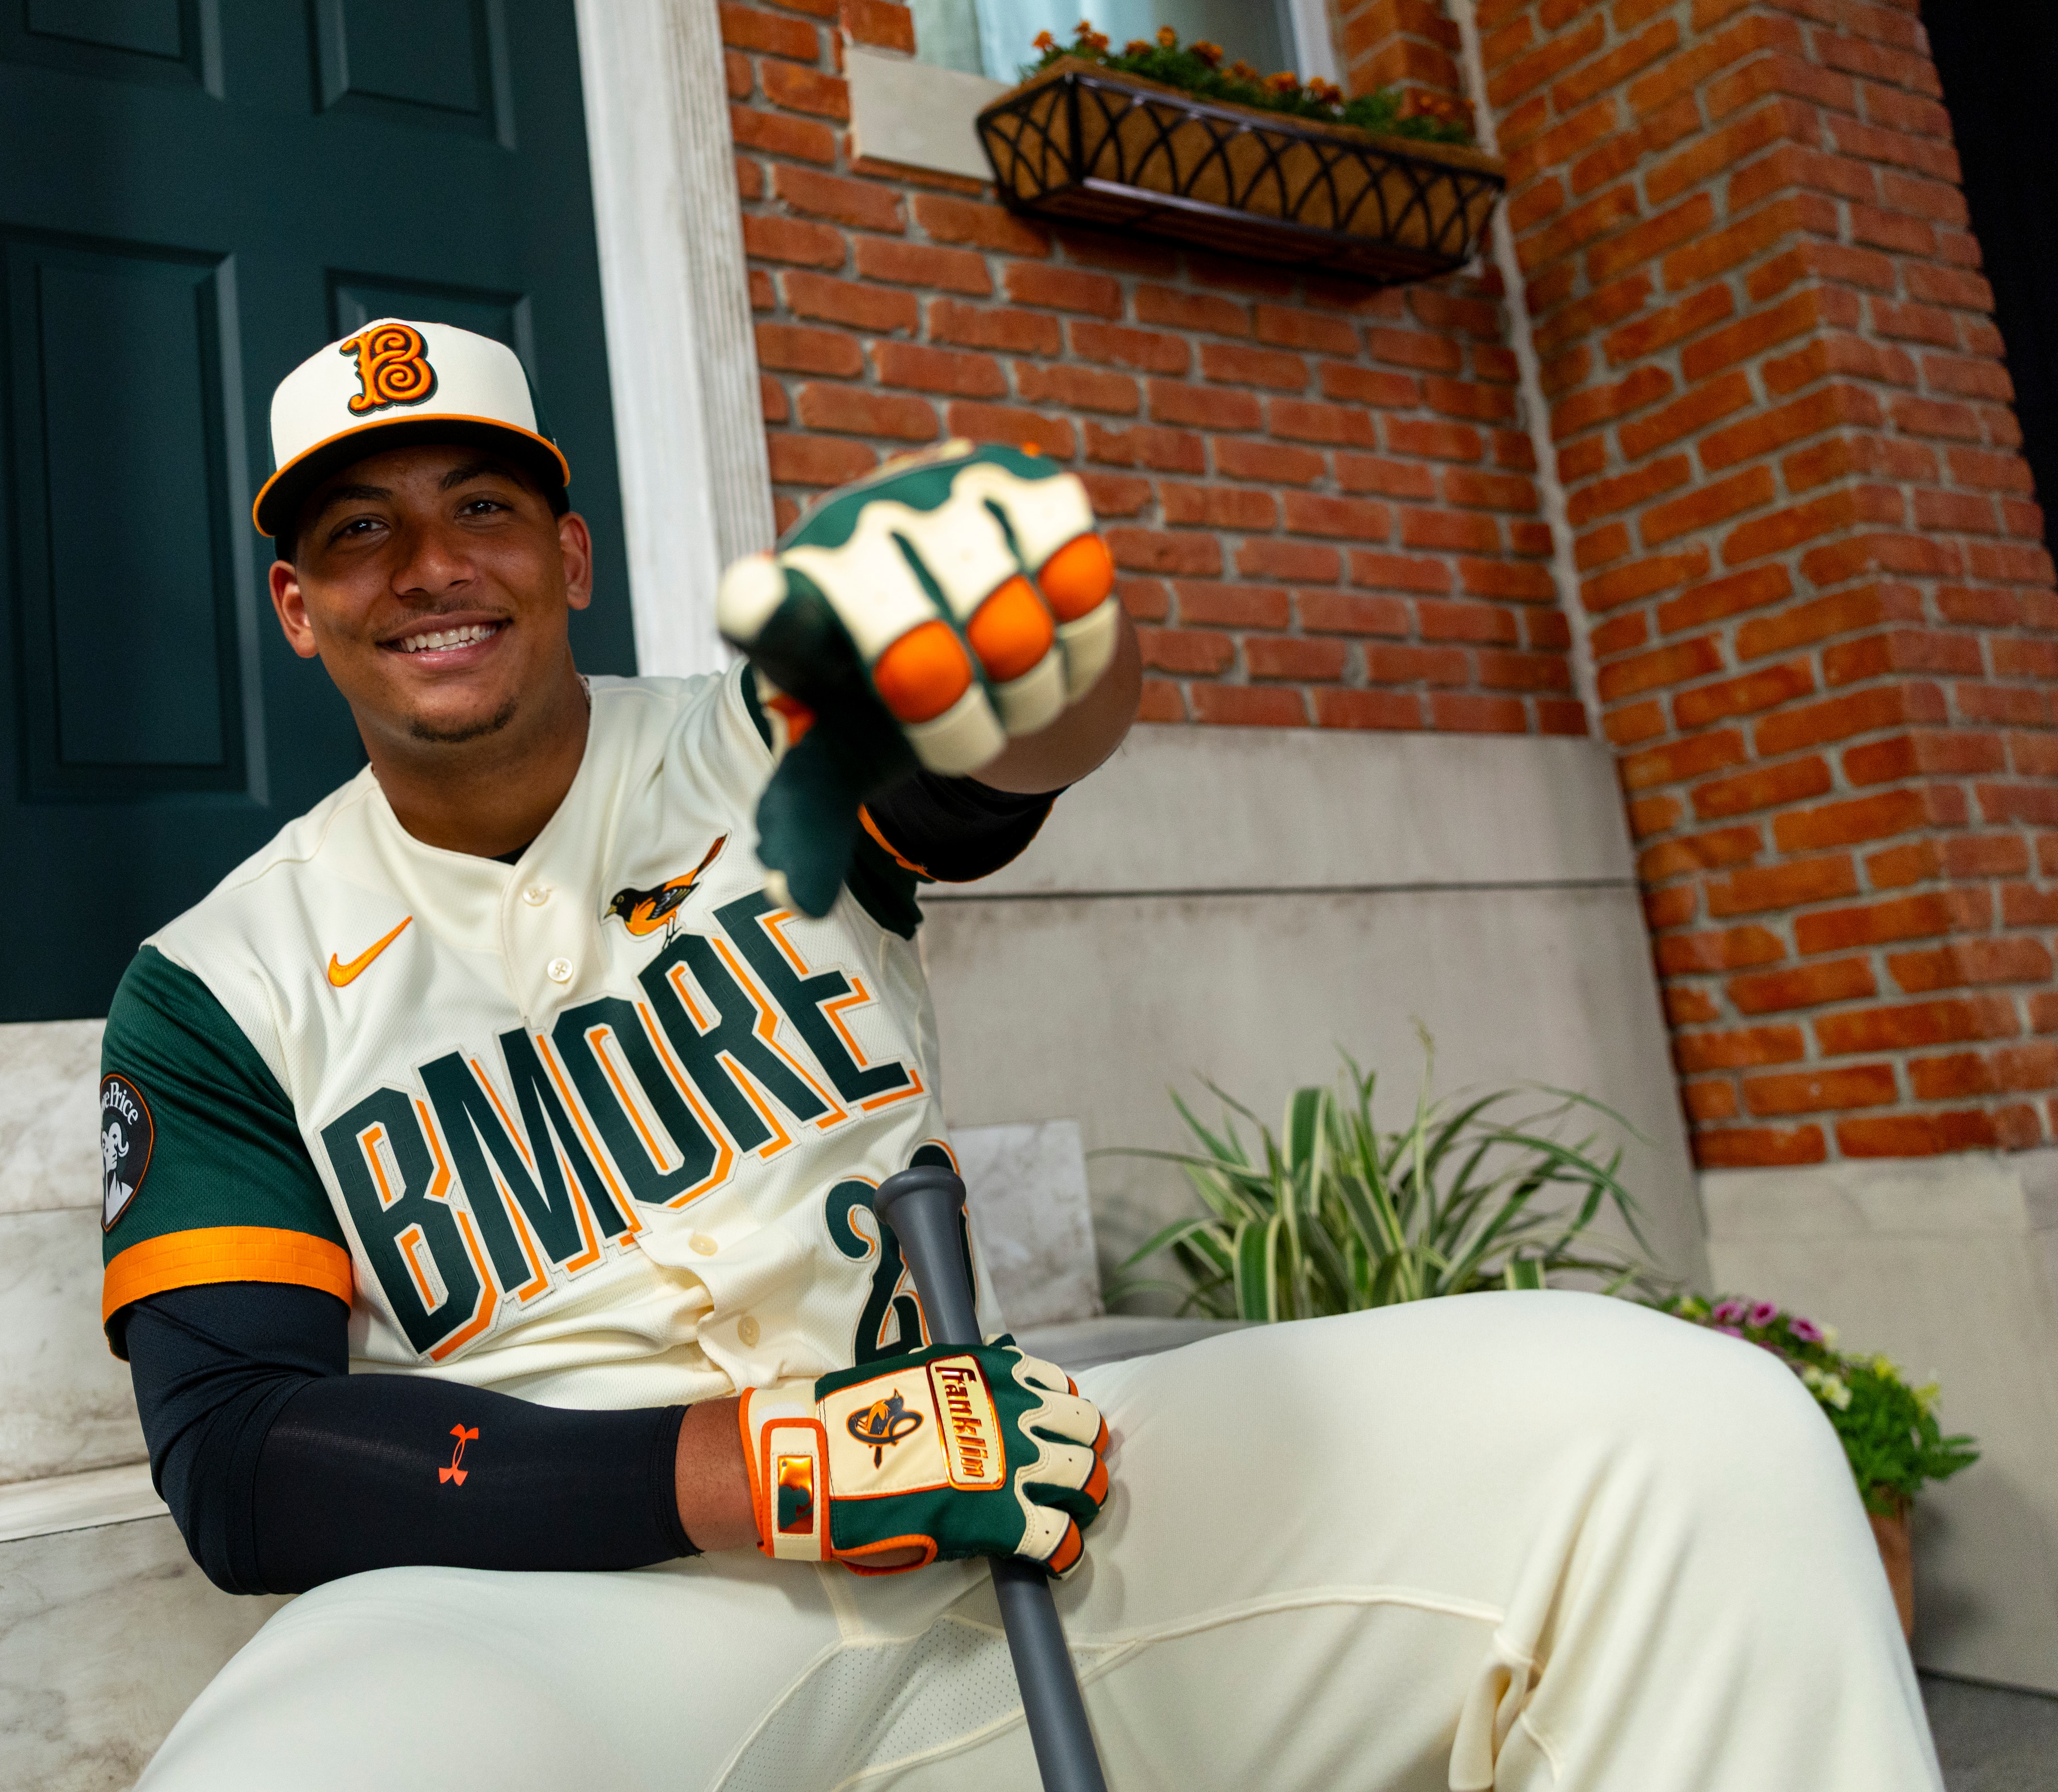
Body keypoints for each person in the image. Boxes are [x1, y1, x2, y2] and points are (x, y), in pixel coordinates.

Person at [100, 319, 1941, 1790]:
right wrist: (762, 1469)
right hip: (572, 1602)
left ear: (568, 553)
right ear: (296, 604)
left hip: (1020, 1489)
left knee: (1677, 1435)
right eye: (360, 530)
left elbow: (1003, 759)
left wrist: (1046, 642)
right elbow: (244, 1456)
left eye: (482, 509)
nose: (431, 567)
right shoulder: (216, 983)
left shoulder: (760, 740)